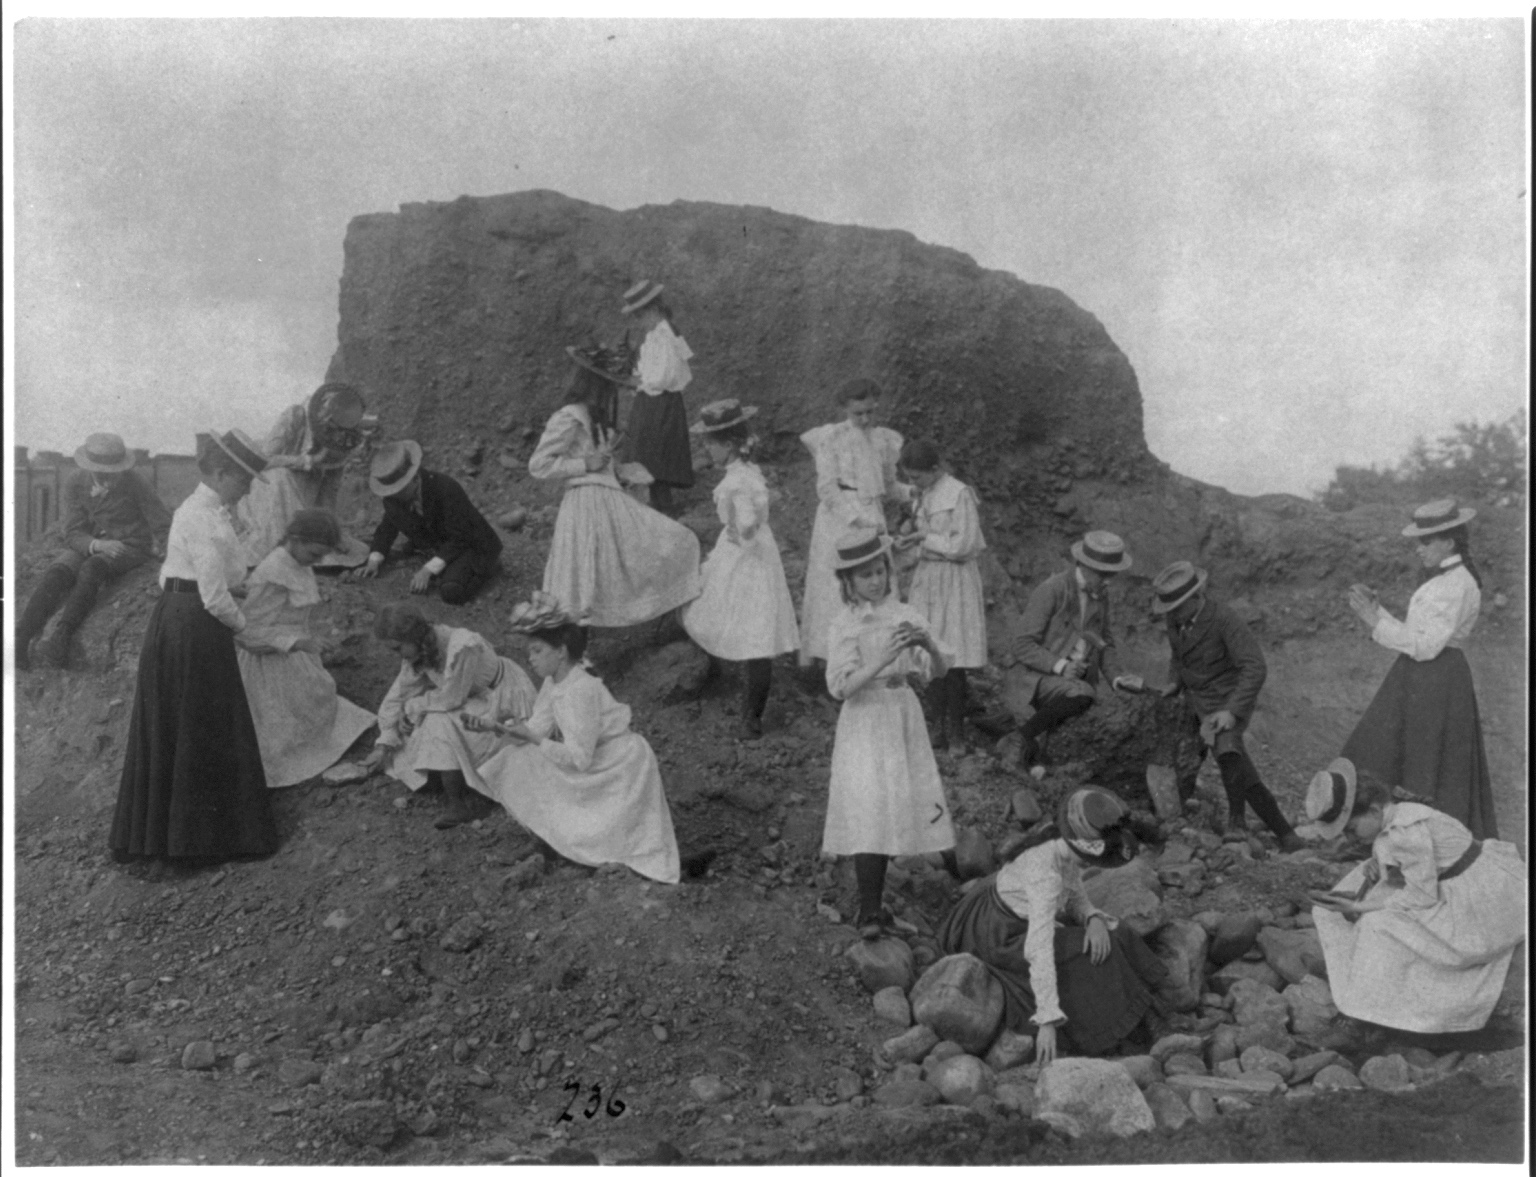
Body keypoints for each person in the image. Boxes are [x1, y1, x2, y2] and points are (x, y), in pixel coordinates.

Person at [109, 430, 278, 865]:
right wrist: (247, 631)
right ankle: (188, 845)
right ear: (222, 474)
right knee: (192, 723)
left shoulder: (213, 511)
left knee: (197, 723)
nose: (245, 491)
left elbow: (211, 575)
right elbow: (214, 596)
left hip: (188, 620)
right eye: (242, 481)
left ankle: (195, 837)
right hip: (191, 626)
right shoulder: (199, 517)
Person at [458, 592, 682, 883]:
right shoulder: (554, 684)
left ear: (561, 651)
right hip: (593, 760)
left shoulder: (581, 690)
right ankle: (549, 839)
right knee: (517, 758)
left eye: (537, 651)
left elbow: (580, 758)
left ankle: (586, 851)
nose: (531, 659)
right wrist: (492, 726)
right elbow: (536, 729)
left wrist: (535, 740)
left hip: (618, 766)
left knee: (623, 846)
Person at [935, 786, 1171, 1061]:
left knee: (1117, 931)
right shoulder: (1045, 874)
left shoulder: (1064, 847)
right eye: (1094, 860)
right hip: (1002, 934)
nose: (1094, 865)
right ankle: (1134, 1025)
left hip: (1022, 914)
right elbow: (1039, 945)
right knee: (1090, 956)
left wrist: (1093, 919)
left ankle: (1148, 1006)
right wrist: (1047, 1018)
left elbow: (1074, 897)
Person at [1305, 760, 1525, 1034]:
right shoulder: (1397, 813)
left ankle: (1365, 1016)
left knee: (1378, 925)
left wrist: (1359, 905)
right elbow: (1403, 859)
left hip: (1477, 897)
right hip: (1447, 877)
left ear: (1374, 810)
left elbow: (1421, 897)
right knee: (1360, 882)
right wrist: (1378, 862)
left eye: (1351, 830)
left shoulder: (1404, 834)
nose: (1349, 839)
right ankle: (1356, 982)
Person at [822, 526, 957, 938]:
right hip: (865, 719)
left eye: (880, 570)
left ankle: (900, 903)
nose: (876, 580)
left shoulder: (905, 613)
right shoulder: (846, 623)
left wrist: (928, 646)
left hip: (902, 712)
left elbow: (940, 672)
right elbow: (840, 688)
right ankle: (868, 912)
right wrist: (880, 658)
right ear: (849, 582)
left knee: (906, 802)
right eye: (865, 575)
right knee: (871, 808)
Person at [1340, 499, 1497, 839]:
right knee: (1391, 746)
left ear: (1449, 542)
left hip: (1437, 679)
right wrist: (1377, 612)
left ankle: (1425, 840)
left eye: (1426, 541)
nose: (1419, 549)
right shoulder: (1444, 581)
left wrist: (1373, 623)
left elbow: (1425, 647)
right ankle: (1379, 831)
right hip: (1421, 675)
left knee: (1428, 761)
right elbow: (1418, 637)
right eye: (1418, 541)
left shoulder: (1455, 584)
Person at [529, 344, 701, 627]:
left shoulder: (597, 416)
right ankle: (577, 650)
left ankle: (667, 618)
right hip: (584, 505)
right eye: (607, 386)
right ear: (592, 384)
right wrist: (585, 465)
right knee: (580, 582)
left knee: (675, 540)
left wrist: (620, 471)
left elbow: (601, 463)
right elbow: (539, 465)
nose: (612, 393)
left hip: (608, 498)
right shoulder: (569, 416)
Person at [1152, 560, 1304, 852]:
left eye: (1179, 608)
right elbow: (1178, 657)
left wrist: (1232, 711)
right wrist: (1174, 683)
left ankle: (1239, 821)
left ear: (1197, 598)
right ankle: (1283, 831)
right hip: (1195, 698)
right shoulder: (1175, 617)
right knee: (1233, 765)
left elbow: (1254, 667)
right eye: (1170, 610)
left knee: (1228, 751)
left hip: (1227, 698)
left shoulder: (1223, 619)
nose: (1173, 616)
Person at [681, 399, 800, 739]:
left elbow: (747, 519)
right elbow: (760, 504)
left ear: (729, 445)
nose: (707, 449)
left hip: (748, 557)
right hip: (756, 550)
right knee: (742, 622)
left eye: (711, 443)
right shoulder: (748, 472)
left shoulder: (736, 482)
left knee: (752, 628)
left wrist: (743, 529)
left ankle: (751, 715)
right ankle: (744, 705)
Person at [235, 509, 377, 788]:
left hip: (295, 656)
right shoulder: (273, 572)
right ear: (295, 540)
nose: (319, 561)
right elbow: (246, 631)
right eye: (314, 555)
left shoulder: (296, 563)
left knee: (317, 698)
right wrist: (297, 643)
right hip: (268, 663)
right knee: (280, 725)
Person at [362, 602, 536, 829]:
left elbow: (451, 699)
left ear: (413, 636)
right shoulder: (419, 652)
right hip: (466, 701)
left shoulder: (462, 646)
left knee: (436, 721)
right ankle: (453, 779)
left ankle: (460, 802)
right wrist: (383, 744)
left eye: (398, 648)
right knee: (416, 727)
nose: (399, 656)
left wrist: (414, 707)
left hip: (500, 701)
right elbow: (398, 695)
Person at [16, 432, 171, 671]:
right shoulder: (75, 482)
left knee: (93, 568)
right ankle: (20, 640)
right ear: (89, 468)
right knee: (57, 572)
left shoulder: (136, 482)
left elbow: (161, 523)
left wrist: (173, 555)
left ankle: (62, 636)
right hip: (91, 543)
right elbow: (73, 531)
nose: (109, 480)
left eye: (114, 474)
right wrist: (97, 545)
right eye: (102, 474)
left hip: (129, 545)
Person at [799, 377, 908, 669]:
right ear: (845, 410)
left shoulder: (883, 440)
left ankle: (873, 657)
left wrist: (914, 493)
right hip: (840, 519)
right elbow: (827, 489)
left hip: (873, 514)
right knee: (836, 585)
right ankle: (833, 659)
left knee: (875, 581)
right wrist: (857, 519)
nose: (865, 418)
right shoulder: (831, 439)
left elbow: (889, 483)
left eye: (870, 412)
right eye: (857, 413)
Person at [1005, 531, 1132, 771]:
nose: (1108, 581)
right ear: (1083, 565)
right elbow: (1021, 644)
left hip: (1073, 681)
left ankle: (1031, 746)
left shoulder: (1101, 595)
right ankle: (1020, 738)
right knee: (1083, 694)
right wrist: (1061, 666)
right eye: (1103, 574)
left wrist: (1117, 679)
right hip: (1035, 678)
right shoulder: (1052, 590)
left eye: (1112, 575)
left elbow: (1105, 642)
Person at [895, 440, 988, 753]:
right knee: (927, 651)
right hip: (929, 578)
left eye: (917, 477)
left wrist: (924, 538)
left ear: (935, 470)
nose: (913, 484)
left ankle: (957, 731)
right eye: (909, 477)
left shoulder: (958, 493)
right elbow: (921, 540)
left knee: (954, 656)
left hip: (955, 579)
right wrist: (907, 541)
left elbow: (964, 545)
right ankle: (936, 726)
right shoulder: (924, 494)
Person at [237, 382, 373, 569]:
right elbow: (263, 461)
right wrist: (307, 461)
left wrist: (331, 531)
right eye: (330, 427)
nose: (334, 433)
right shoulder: (295, 416)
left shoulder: (341, 442)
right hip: (266, 493)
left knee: (341, 548)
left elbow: (328, 494)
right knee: (281, 476)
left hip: (306, 501)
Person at [354, 440, 504, 605]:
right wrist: (374, 561)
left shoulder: (445, 488)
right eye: (391, 491)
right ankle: (443, 563)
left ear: (415, 478)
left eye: (399, 489)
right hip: (440, 544)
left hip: (471, 544)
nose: (394, 495)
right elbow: (387, 527)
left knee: (451, 591)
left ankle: (487, 568)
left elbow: (461, 537)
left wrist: (427, 570)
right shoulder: (394, 499)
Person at [620, 279, 695, 516]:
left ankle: (664, 508)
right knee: (648, 456)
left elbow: (664, 376)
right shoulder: (654, 335)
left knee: (656, 455)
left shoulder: (666, 335)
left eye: (640, 316)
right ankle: (658, 505)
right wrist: (637, 377)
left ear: (653, 310)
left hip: (660, 402)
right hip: (650, 400)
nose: (638, 322)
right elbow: (647, 369)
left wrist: (641, 382)